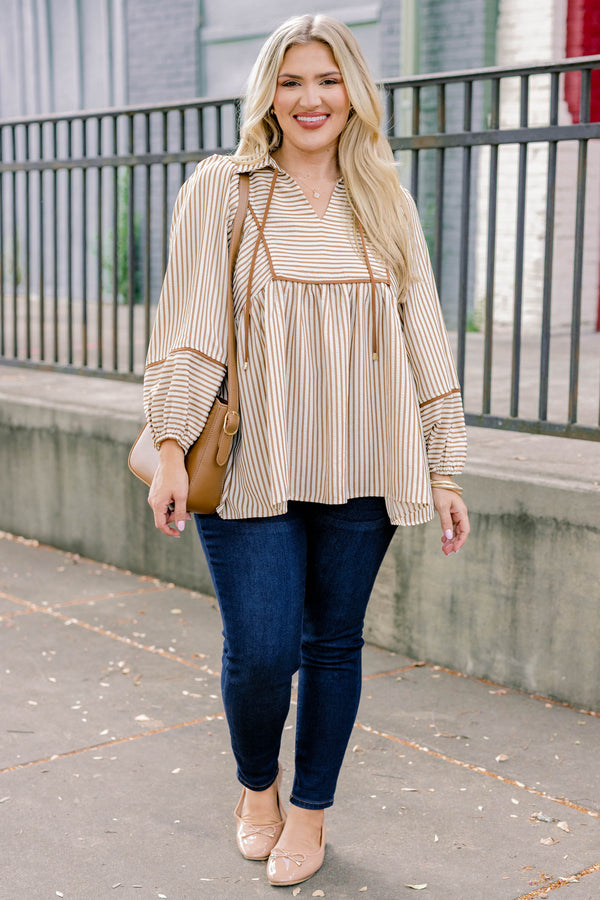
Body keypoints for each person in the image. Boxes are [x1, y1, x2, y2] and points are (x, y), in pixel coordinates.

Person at [144, 13, 469, 888]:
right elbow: (190, 325)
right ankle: (259, 785)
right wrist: (172, 445)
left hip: (367, 459)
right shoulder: (226, 187)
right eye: (291, 81)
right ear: (269, 94)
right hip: (256, 460)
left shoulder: (385, 198)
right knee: (261, 650)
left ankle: (312, 811)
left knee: (332, 644)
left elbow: (424, 332)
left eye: (327, 79)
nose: (310, 98)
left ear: (354, 90)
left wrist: (442, 464)